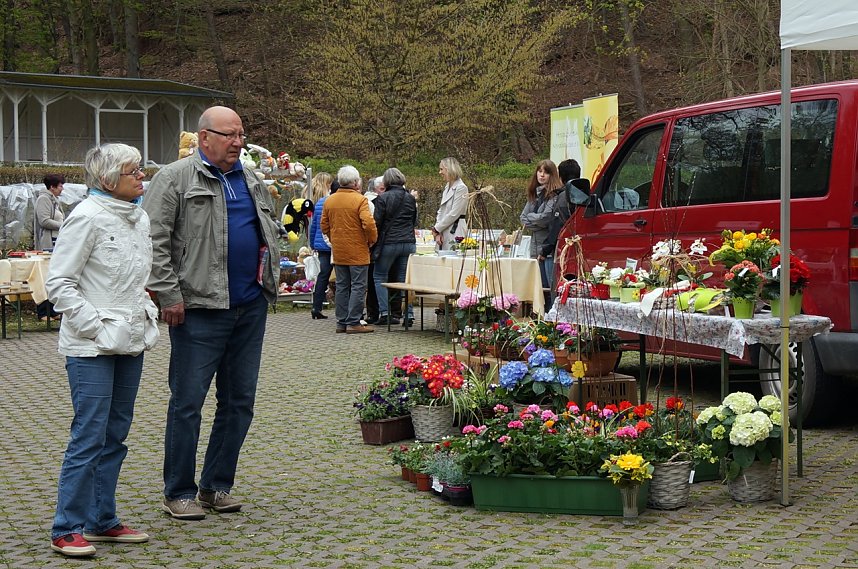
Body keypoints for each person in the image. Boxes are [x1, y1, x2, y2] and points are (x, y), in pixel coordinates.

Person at [143, 106, 282, 520]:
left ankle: (217, 486)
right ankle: (178, 492)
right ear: (204, 138)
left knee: (239, 402)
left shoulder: (250, 178)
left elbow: (267, 229)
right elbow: (153, 242)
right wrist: (168, 296)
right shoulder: (174, 179)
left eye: (241, 134)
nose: (238, 142)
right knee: (187, 403)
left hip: (249, 306)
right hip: (199, 310)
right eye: (229, 135)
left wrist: (267, 284)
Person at [46, 144, 159, 557]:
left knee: (116, 435)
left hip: (131, 341)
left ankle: (101, 520)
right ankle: (65, 528)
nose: (141, 176)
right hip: (91, 346)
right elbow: (58, 283)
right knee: (89, 435)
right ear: (108, 180)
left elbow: (135, 279)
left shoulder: (139, 217)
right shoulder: (86, 217)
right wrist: (95, 326)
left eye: (141, 169)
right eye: (134, 171)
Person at [321, 165, 378, 334]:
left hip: (339, 250)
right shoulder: (360, 200)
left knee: (342, 286)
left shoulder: (330, 200)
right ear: (355, 182)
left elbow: (324, 225)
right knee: (359, 286)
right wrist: (371, 240)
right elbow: (368, 223)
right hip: (358, 250)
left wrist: (334, 239)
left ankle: (341, 321)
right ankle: (353, 321)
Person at [372, 168, 417, 326]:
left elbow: (377, 222)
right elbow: (413, 220)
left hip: (389, 243)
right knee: (405, 279)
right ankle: (409, 313)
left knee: (379, 276)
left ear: (386, 182)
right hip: (409, 242)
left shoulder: (382, 198)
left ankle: (385, 313)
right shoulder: (410, 198)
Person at [520, 159, 564, 307]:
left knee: (549, 290)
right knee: (539, 291)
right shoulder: (535, 194)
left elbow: (547, 218)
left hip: (548, 249)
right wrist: (536, 222)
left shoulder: (555, 195)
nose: (542, 175)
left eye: (546, 172)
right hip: (535, 248)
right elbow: (522, 218)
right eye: (539, 171)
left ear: (552, 175)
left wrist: (532, 220)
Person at [538, 159, 581, 306]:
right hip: (580, 250)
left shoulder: (563, 197)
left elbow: (557, 226)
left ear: (561, 178)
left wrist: (545, 250)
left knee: (557, 290)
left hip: (563, 250)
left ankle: (555, 323)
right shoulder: (584, 193)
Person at [34, 173, 66, 321]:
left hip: (56, 242)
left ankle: (53, 311)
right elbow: (44, 220)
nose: (62, 189)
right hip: (48, 243)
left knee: (54, 276)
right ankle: (43, 313)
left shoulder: (54, 200)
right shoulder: (44, 199)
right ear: (52, 187)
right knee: (44, 277)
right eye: (60, 186)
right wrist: (64, 225)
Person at [308, 172, 334, 319]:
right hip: (335, 245)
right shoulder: (335, 202)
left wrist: (313, 243)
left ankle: (316, 307)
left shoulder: (319, 203)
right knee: (343, 277)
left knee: (323, 275)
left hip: (322, 245)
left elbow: (313, 226)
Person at [432, 157, 469, 250]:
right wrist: (438, 231)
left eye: (441, 169)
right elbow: (441, 211)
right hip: (443, 230)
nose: (440, 172)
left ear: (449, 169)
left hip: (456, 231)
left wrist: (437, 229)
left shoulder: (461, 188)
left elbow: (454, 213)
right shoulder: (447, 187)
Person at [363, 177, 383, 323]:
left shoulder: (363, 200)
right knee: (376, 279)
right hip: (375, 245)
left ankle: (372, 313)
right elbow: (372, 226)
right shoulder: (374, 202)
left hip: (368, 246)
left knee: (370, 280)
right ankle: (385, 312)